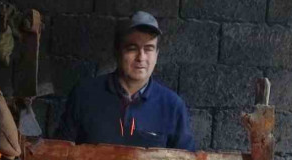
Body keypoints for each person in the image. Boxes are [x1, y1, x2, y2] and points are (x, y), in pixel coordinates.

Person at [56, 11, 194, 151]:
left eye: (148, 49)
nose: (141, 57)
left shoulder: (172, 106)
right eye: (132, 48)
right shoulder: (84, 95)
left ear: (157, 55)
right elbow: (59, 154)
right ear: (117, 52)